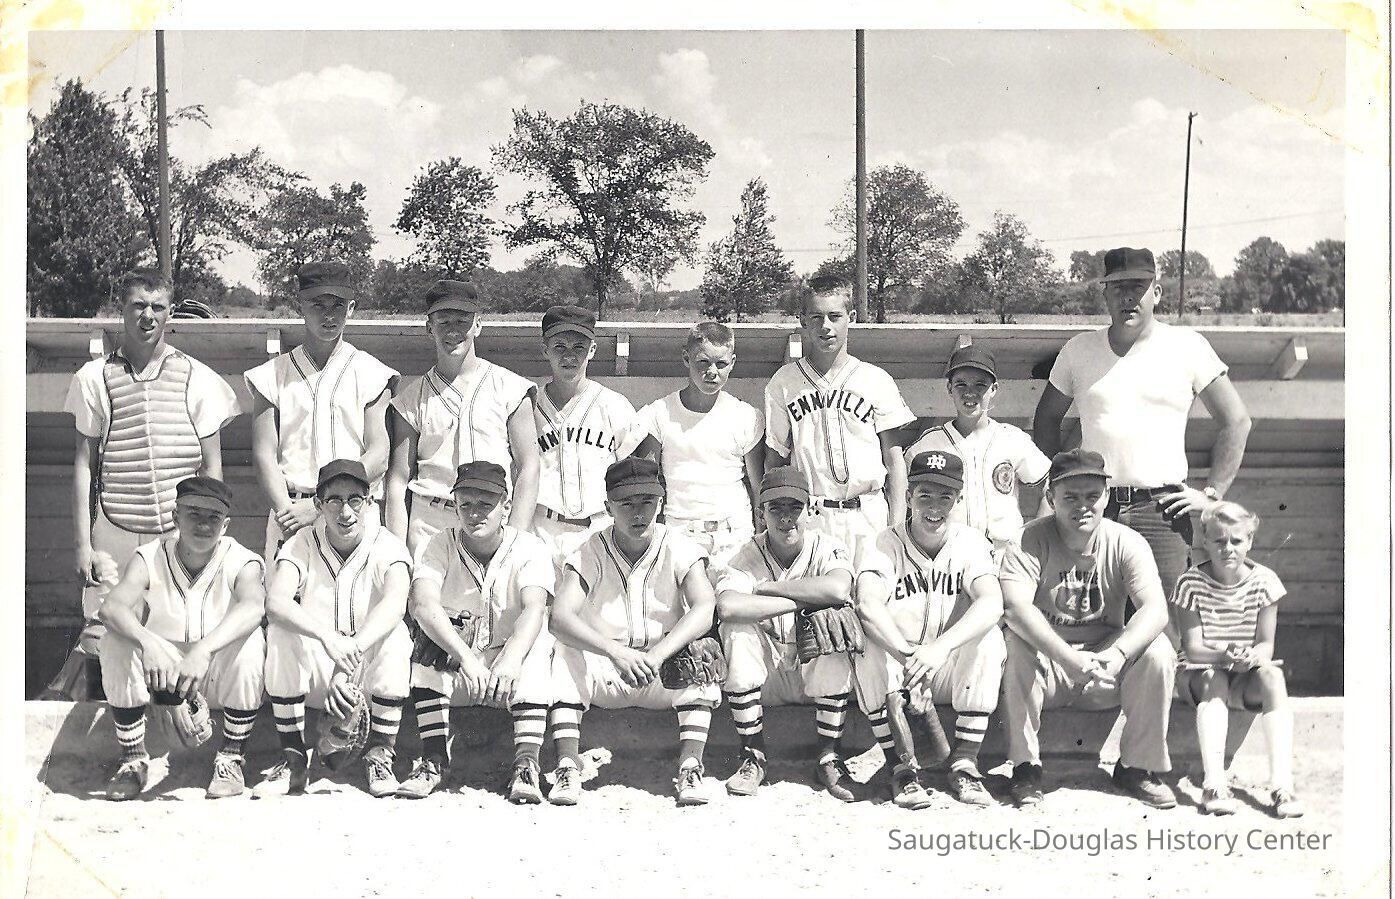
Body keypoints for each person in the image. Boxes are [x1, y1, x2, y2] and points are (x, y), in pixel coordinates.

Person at [48, 268, 240, 700]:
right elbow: (84, 464)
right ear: (123, 310)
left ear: (170, 312)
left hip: (177, 533)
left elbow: (212, 469)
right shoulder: (94, 377)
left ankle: (183, 730)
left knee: (177, 632)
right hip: (116, 527)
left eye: (158, 307)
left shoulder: (198, 377)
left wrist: (210, 536)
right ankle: (110, 740)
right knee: (105, 632)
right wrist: (83, 544)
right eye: (138, 306)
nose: (148, 316)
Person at [1032, 246, 1252, 601]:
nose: (1128, 296)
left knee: (1164, 631)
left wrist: (1211, 496)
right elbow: (1046, 418)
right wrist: (1063, 486)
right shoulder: (1079, 350)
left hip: (1162, 512)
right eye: (1117, 287)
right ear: (1104, 293)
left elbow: (1237, 421)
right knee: (1091, 622)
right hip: (1094, 508)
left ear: (1157, 293)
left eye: (1138, 286)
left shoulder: (1188, 346)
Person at [999, 449, 1178, 810]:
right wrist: (1065, 658)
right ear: (1051, 498)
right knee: (1014, 643)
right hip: (1049, 665)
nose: (1083, 506)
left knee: (1159, 650)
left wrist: (1116, 655)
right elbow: (1015, 608)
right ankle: (1025, 768)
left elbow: (1155, 610)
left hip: (1104, 667)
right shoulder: (1029, 540)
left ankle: (1136, 768)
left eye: (1092, 497)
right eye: (1070, 497)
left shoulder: (1126, 541)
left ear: (1107, 497)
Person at [547, 458, 719, 807]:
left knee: (703, 650)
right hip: (606, 668)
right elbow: (560, 617)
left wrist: (659, 654)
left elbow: (704, 606)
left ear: (662, 502)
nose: (638, 512)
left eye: (647, 502)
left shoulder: (679, 545)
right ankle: (567, 764)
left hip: (661, 669)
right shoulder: (589, 549)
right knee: (564, 650)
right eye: (626, 503)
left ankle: (690, 765)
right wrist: (613, 651)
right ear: (608, 505)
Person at [96, 477, 266, 800]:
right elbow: (111, 607)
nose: (204, 524)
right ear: (175, 518)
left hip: (214, 673)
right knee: (115, 640)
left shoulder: (241, 559)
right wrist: (147, 642)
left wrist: (204, 649)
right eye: (194, 514)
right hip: (164, 674)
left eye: (213, 517)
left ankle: (231, 757)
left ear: (226, 524)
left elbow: (254, 606)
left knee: (252, 641)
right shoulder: (149, 555)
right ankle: (133, 760)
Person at [854, 451, 1007, 808]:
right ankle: (900, 770)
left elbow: (991, 602)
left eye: (945, 496)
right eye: (925, 495)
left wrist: (938, 650)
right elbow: (868, 604)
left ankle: (965, 763)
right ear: (908, 497)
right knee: (865, 643)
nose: (934, 506)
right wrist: (907, 657)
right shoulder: (882, 543)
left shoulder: (970, 542)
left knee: (989, 638)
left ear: (958, 499)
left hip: (948, 666)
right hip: (900, 667)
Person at [396, 462, 556, 803]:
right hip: (462, 667)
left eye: (486, 504)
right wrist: (466, 658)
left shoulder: (529, 547)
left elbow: (535, 607)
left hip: (507, 671)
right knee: (427, 644)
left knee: (539, 644)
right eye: (465, 504)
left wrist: (510, 659)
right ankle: (434, 759)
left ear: (506, 506)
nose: (474, 514)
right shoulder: (440, 543)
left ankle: (526, 763)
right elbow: (423, 605)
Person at [256, 460, 413, 799]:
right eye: (334, 500)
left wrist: (349, 657)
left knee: (397, 636)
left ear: (369, 503)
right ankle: (294, 758)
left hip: (365, 674)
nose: (346, 512)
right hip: (318, 667)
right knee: (281, 632)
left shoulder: (387, 544)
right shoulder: (302, 542)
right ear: (318, 505)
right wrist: (328, 639)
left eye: (355, 499)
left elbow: (396, 604)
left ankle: (380, 754)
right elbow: (276, 602)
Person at [713, 466, 859, 802]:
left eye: (794, 507)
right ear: (760, 513)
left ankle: (828, 756)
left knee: (831, 621)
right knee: (736, 630)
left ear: (810, 510)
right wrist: (799, 600)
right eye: (775, 508)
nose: (785, 518)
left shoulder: (827, 546)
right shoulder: (743, 553)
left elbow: (838, 587)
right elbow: (730, 608)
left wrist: (769, 590)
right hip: (766, 676)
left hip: (813, 668)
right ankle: (753, 756)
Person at [244, 261, 399, 558]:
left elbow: (379, 454)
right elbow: (264, 455)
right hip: (289, 512)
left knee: (356, 603)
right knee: (286, 601)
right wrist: (287, 512)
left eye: (337, 305)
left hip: (352, 513)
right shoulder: (270, 375)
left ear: (351, 308)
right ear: (300, 306)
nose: (329, 314)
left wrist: (321, 506)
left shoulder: (372, 372)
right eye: (318, 304)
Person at [385, 279, 540, 557]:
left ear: (478, 325)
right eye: (443, 321)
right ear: (428, 328)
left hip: (492, 518)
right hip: (431, 520)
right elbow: (398, 478)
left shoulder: (512, 388)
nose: (453, 330)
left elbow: (529, 466)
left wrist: (516, 537)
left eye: (463, 321)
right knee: (425, 601)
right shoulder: (411, 398)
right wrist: (396, 553)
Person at [764, 276, 914, 560]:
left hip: (868, 513)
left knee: (872, 597)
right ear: (803, 320)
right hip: (813, 516)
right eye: (816, 317)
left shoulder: (875, 379)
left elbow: (894, 460)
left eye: (835, 316)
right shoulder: (784, 382)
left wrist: (896, 525)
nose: (825, 326)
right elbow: (775, 461)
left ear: (851, 317)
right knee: (816, 600)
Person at [1173, 502, 1304, 818]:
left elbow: (1265, 645)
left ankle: (1282, 786)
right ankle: (1214, 785)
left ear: (1250, 542)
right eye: (1218, 541)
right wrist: (1224, 656)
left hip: (1242, 676)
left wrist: (1253, 657)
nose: (1227, 548)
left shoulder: (1265, 581)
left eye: (1236, 541)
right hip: (1199, 675)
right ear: (1205, 541)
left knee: (1272, 676)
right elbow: (1192, 649)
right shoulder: (1190, 582)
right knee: (1213, 677)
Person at [635, 321, 764, 569]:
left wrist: (760, 541)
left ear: (733, 362)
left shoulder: (747, 416)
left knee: (733, 605)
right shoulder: (658, 414)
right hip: (681, 533)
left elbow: (759, 489)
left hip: (735, 534)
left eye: (721, 364)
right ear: (686, 358)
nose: (712, 371)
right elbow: (647, 484)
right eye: (703, 362)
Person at [905, 344, 1049, 560]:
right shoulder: (930, 443)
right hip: (950, 554)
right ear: (949, 388)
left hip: (1004, 553)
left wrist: (1037, 538)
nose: (970, 392)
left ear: (994, 389)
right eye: (961, 384)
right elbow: (902, 491)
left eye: (980, 385)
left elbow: (1052, 485)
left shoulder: (1012, 438)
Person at [531, 305, 646, 561]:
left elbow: (630, 478)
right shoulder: (527, 405)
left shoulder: (615, 405)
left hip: (599, 528)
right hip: (541, 529)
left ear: (592, 350)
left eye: (579, 348)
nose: (569, 356)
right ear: (544, 349)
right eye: (559, 347)